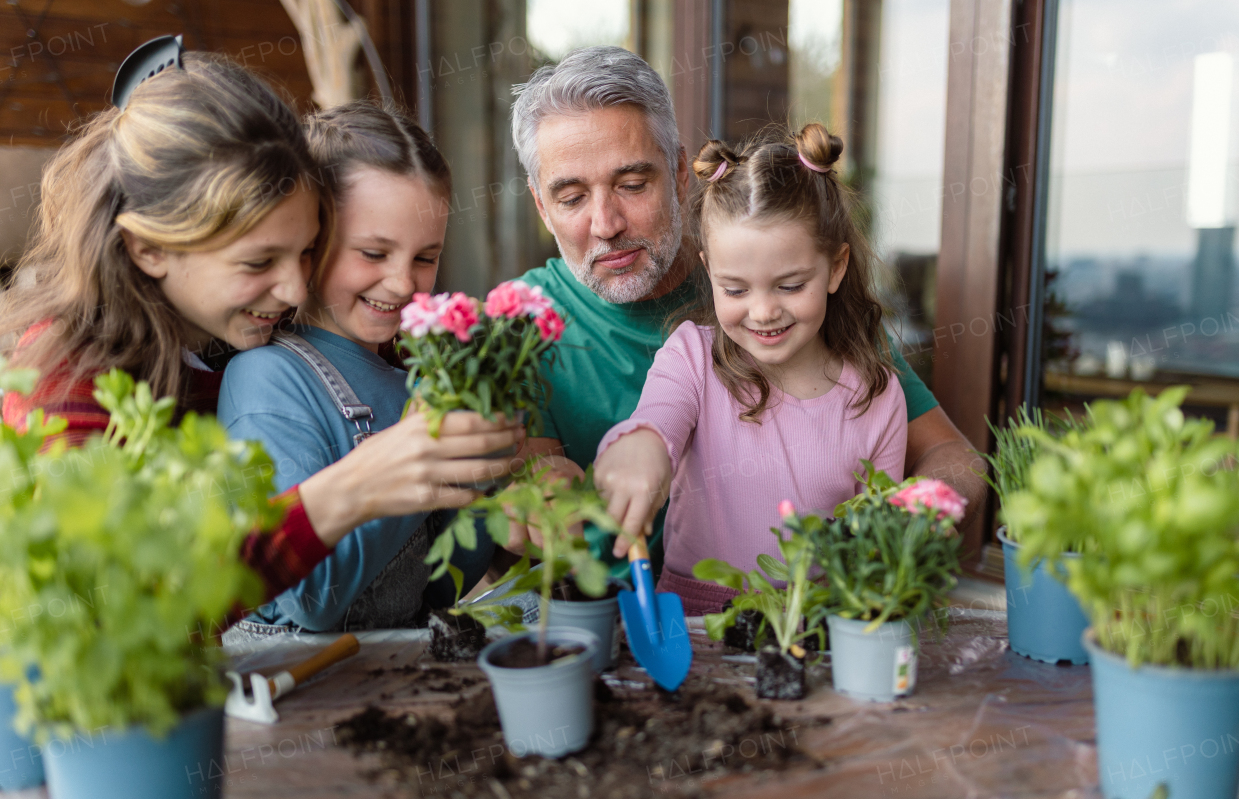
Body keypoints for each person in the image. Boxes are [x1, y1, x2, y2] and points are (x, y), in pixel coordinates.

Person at [0, 53, 520, 612]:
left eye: (306, 251)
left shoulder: (262, 329)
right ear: (148, 249)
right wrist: (356, 487)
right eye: (257, 263)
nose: (296, 291)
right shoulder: (62, 384)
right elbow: (130, 607)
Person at [506, 46, 985, 570]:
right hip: (631, 617)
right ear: (541, 207)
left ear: (680, 176)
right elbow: (523, 498)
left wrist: (897, 532)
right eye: (571, 197)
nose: (605, 223)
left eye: (633, 185)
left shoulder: (809, 309)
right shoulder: (515, 326)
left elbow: (954, 459)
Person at [593, 125, 907, 613]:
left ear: (837, 267)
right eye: (735, 290)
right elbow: (658, 421)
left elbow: (877, 549)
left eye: (789, 285)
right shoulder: (692, 359)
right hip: (695, 627)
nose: (762, 312)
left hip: (814, 630)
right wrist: (641, 446)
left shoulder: (877, 396)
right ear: (709, 270)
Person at [217, 101, 498, 635]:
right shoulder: (266, 379)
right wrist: (414, 464)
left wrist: (479, 477)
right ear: (310, 240)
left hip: (391, 676)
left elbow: (444, 585)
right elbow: (312, 600)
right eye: (372, 253)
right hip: (298, 691)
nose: (401, 282)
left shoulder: (411, 377)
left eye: (424, 257)